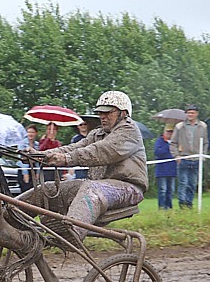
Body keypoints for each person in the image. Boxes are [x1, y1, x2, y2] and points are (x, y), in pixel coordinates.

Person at [19, 91, 147, 242]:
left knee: (90, 189)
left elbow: (102, 151)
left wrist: (66, 159)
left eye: (107, 113)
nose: (102, 116)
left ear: (123, 113)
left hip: (128, 188)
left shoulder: (129, 131)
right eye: (100, 112)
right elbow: (72, 148)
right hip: (97, 185)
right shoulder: (97, 133)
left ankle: (72, 232)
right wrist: (40, 155)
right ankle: (8, 219)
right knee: (46, 189)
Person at [169, 104, 208, 209]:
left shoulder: (203, 126)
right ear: (185, 114)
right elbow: (173, 143)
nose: (190, 114)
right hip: (183, 159)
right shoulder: (179, 126)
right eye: (188, 112)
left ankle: (189, 204)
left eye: (192, 112)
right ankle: (182, 204)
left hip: (196, 159)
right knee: (183, 183)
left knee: (192, 183)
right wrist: (176, 156)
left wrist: (203, 155)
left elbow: (205, 142)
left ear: (197, 114)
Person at [154, 124, 177, 210]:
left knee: (170, 191)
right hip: (162, 171)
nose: (169, 134)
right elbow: (158, 152)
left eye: (171, 132)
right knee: (162, 190)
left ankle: (169, 207)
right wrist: (168, 146)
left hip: (172, 170)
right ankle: (162, 207)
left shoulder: (175, 143)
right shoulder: (159, 141)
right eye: (168, 132)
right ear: (164, 132)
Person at [19, 124, 39, 193]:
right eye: (29, 132)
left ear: (36, 133)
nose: (30, 134)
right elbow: (21, 159)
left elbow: (38, 160)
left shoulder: (37, 144)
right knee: (25, 191)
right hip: (24, 169)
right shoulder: (22, 144)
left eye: (32, 132)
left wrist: (38, 173)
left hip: (34, 169)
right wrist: (25, 173)